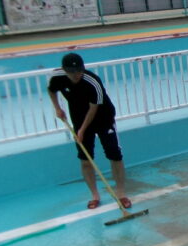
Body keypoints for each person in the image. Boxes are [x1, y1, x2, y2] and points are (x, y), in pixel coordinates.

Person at [47, 52, 131, 209]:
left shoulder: (92, 81)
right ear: (64, 70)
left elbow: (93, 109)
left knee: (114, 154)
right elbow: (51, 90)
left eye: (79, 70)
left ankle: (121, 194)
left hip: (103, 118)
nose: (76, 75)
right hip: (79, 119)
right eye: (72, 72)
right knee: (85, 159)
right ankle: (95, 195)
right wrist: (57, 108)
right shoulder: (57, 77)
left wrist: (82, 130)